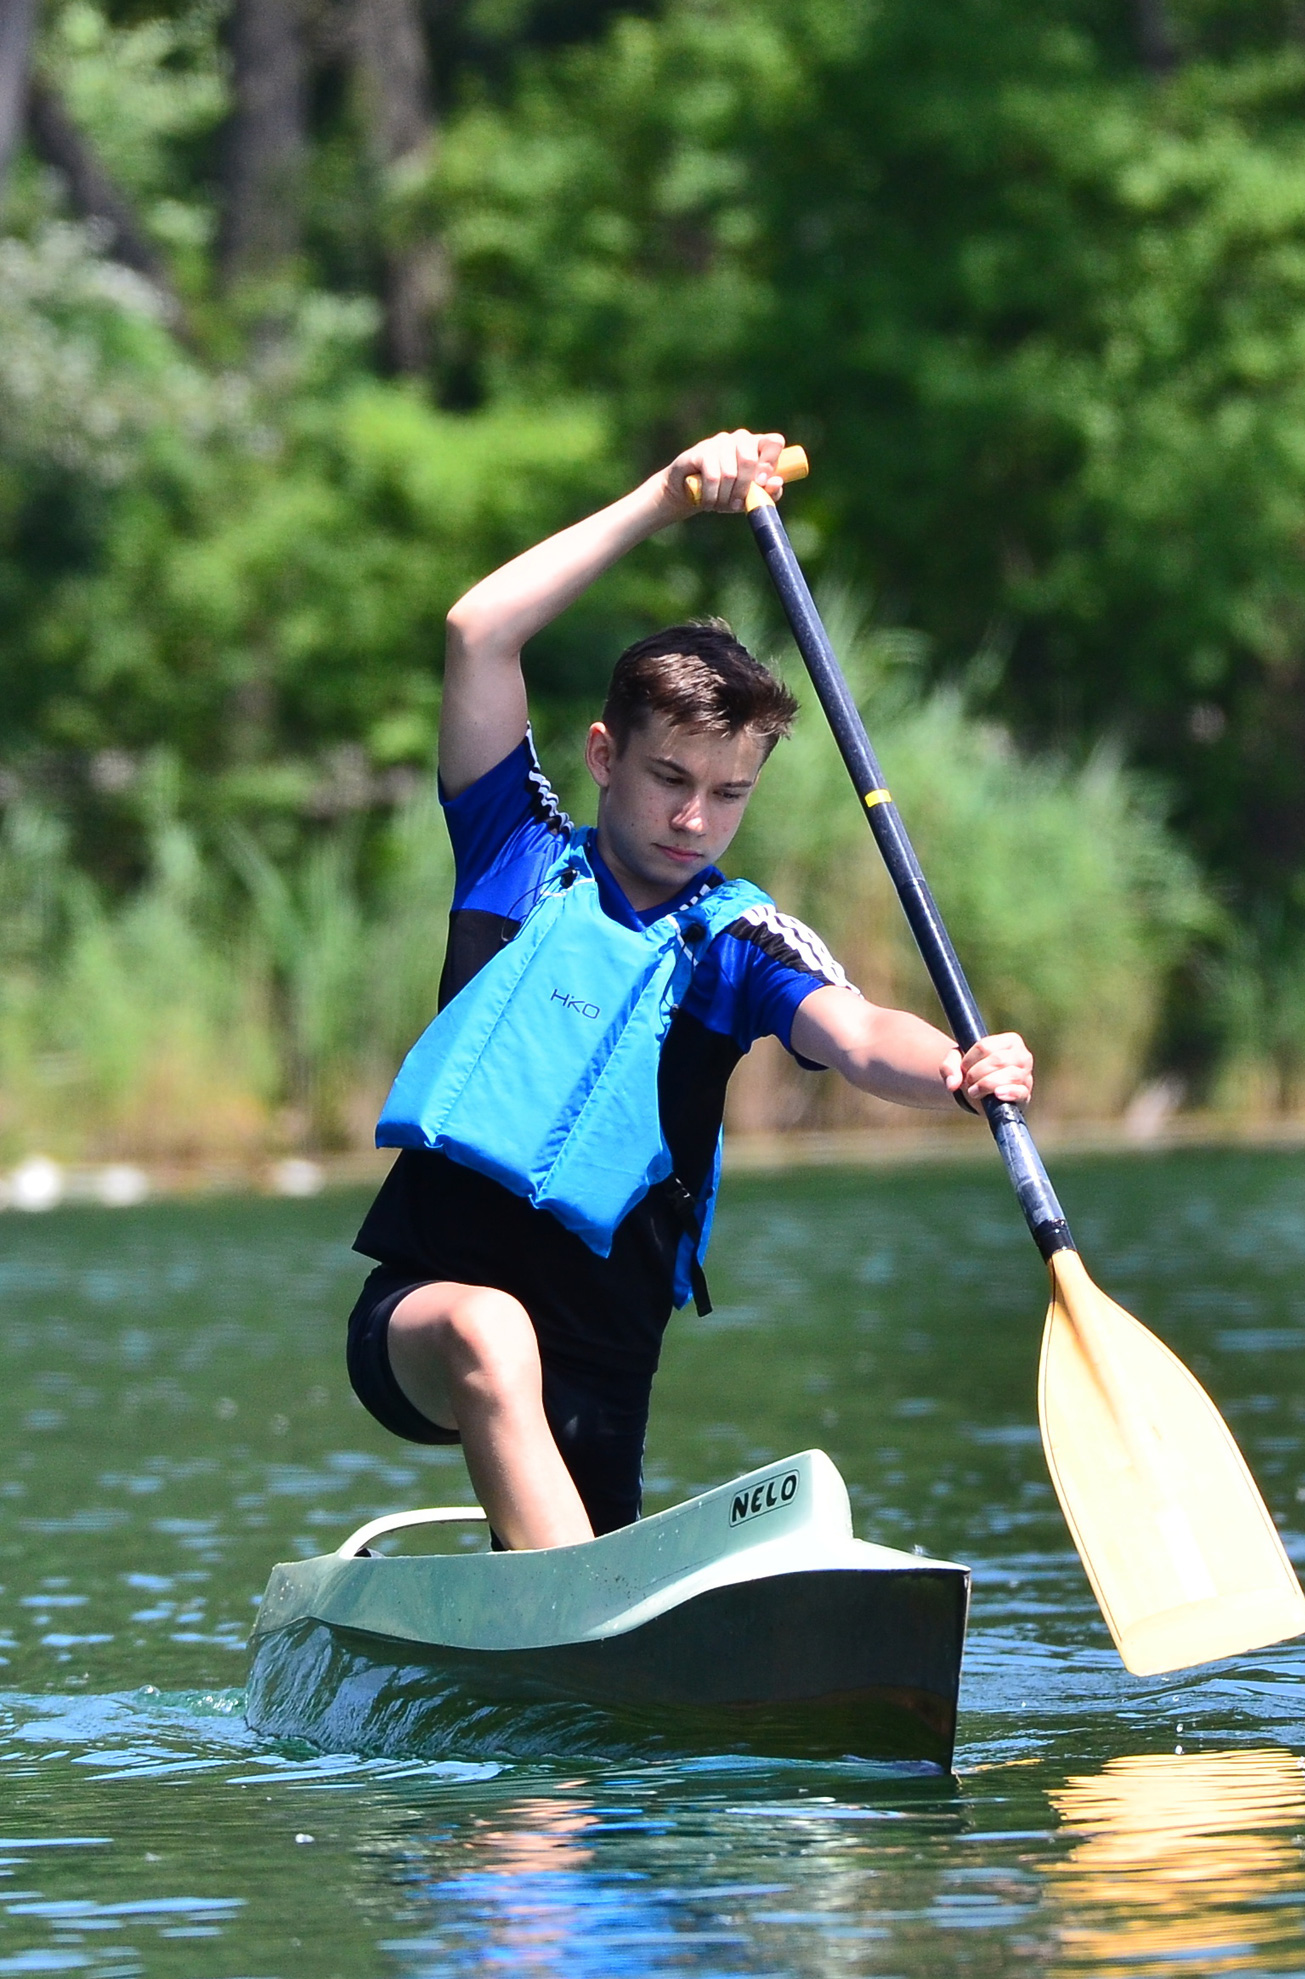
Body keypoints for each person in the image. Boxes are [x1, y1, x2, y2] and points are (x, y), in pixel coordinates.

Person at [347, 428, 1035, 1552]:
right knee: (488, 1334)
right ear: (607, 754)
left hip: (600, 1357)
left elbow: (857, 1034)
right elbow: (478, 629)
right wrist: (665, 499)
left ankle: (576, 1622)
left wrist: (960, 1073)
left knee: (573, 1490)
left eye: (727, 795)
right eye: (670, 778)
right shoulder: (515, 854)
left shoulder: (733, 939)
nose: (692, 820)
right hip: (427, 1313)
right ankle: (571, 1613)